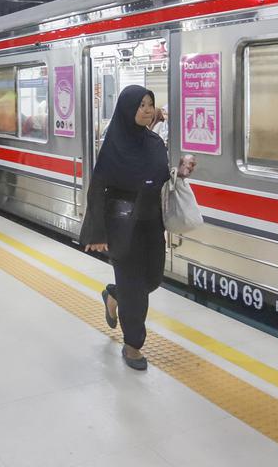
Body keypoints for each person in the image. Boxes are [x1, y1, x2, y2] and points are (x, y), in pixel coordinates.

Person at [81, 86, 195, 371]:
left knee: (152, 280)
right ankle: (133, 345)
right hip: (122, 225)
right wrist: (97, 232)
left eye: (150, 104)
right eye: (141, 105)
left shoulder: (155, 143)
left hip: (151, 223)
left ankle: (114, 294)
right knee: (135, 290)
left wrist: (179, 173)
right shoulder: (113, 146)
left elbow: (161, 179)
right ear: (127, 109)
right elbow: (97, 189)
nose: (147, 110)